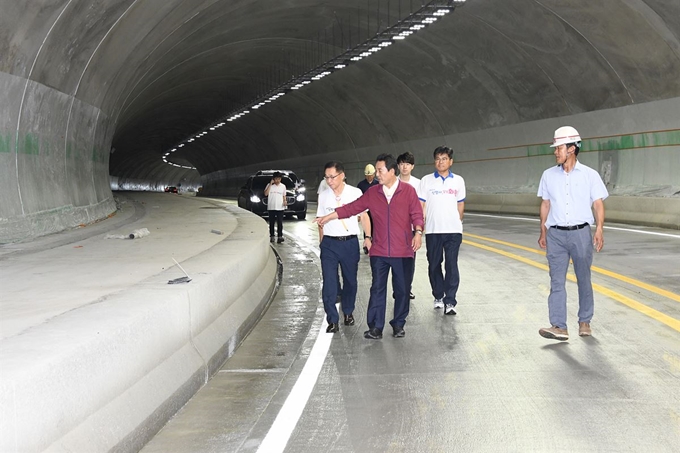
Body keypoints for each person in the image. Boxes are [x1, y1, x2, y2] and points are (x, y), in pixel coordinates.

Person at [316, 154, 424, 340]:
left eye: (380, 170)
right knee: (377, 289)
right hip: (380, 251)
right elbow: (352, 208)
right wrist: (328, 217)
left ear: (391, 171)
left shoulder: (408, 191)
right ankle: (375, 327)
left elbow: (416, 214)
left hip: (403, 251)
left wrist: (418, 233)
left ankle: (398, 324)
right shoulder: (373, 193)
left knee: (402, 290)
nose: (377, 174)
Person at [537, 126, 608, 341]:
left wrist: (599, 229)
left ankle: (584, 321)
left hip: (580, 233)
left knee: (583, 278)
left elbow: (598, 204)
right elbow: (545, 204)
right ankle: (559, 326)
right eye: (555, 148)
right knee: (556, 281)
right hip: (556, 235)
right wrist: (543, 229)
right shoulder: (548, 175)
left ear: (571, 149)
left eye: (559, 148)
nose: (555, 152)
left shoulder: (590, 175)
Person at [316, 162, 371, 333]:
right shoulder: (323, 195)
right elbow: (320, 221)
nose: (329, 180)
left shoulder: (355, 192)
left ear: (342, 175)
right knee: (330, 282)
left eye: (332, 177)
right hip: (330, 244)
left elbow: (364, 216)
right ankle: (332, 319)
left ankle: (348, 311)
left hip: (349, 243)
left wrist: (368, 237)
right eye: (327, 177)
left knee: (350, 281)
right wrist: (322, 243)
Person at [418, 146, 466, 316]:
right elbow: (421, 205)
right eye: (438, 159)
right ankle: (438, 295)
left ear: (450, 161)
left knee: (451, 265)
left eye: (444, 159)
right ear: (434, 161)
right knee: (434, 265)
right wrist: (419, 226)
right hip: (433, 230)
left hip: (453, 231)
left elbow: (461, 204)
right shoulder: (426, 181)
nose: (441, 162)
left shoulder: (458, 181)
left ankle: (450, 301)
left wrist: (456, 221)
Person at [398, 152, 420, 300]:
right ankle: (398, 288)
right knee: (395, 261)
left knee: (410, 261)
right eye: (402, 163)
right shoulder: (391, 182)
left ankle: (407, 288)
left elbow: (421, 207)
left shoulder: (418, 184)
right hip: (395, 228)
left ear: (412, 166)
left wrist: (419, 230)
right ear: (398, 166)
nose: (404, 167)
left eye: (408, 164)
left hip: (411, 229)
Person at [357, 163, 379, 254]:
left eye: (371, 176)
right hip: (365, 210)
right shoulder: (361, 185)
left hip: (376, 210)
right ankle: (367, 244)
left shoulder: (378, 184)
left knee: (376, 227)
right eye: (367, 176)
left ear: (374, 174)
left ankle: (375, 244)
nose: (369, 177)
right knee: (366, 227)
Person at [264, 171, 287, 243]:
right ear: (273, 179)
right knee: (272, 222)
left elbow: (284, 195)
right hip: (271, 207)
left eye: (279, 179)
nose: (277, 181)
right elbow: (265, 194)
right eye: (276, 179)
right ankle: (272, 236)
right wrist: (270, 184)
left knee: (280, 222)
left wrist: (285, 201)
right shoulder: (269, 185)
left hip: (280, 207)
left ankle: (280, 236)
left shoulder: (283, 186)